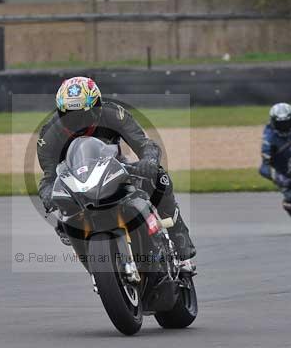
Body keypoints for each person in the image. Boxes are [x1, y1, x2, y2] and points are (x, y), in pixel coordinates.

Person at [37, 76, 196, 264]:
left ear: (96, 107)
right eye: (69, 115)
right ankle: (93, 264)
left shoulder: (114, 114)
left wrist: (149, 161)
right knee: (63, 222)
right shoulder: (49, 135)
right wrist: (48, 195)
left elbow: (146, 145)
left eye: (82, 114)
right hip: (79, 185)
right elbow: (49, 178)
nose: (77, 121)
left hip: (115, 171)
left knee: (159, 176)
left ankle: (178, 233)